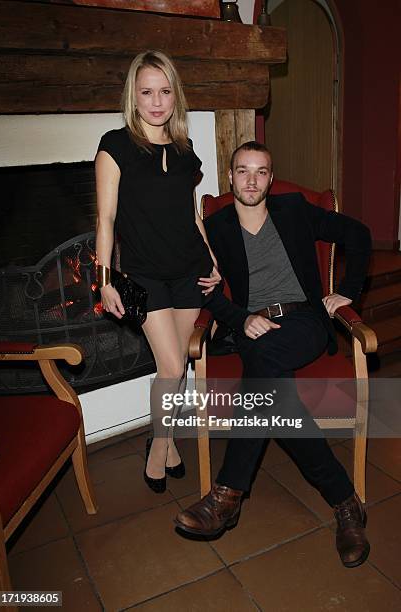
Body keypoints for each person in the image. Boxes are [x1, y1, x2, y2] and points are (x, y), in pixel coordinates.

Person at [174, 141, 372, 568]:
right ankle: (345, 503)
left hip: (304, 322)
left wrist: (348, 292)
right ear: (230, 177)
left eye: (260, 171)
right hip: (253, 327)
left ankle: (227, 496)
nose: (251, 180)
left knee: (262, 367)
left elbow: (358, 235)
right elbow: (200, 289)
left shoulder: (295, 209)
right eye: (242, 171)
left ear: (270, 177)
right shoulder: (216, 226)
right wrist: (241, 318)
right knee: (268, 376)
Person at [95, 50, 220, 494]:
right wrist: (105, 279)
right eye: (147, 91)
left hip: (190, 270)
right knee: (170, 365)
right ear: (134, 94)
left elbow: (194, 216)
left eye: (165, 91)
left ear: (175, 96)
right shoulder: (115, 146)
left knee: (179, 363)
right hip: (145, 275)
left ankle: (165, 444)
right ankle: (158, 447)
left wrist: (214, 261)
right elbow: (105, 220)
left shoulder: (186, 152)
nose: (156, 101)